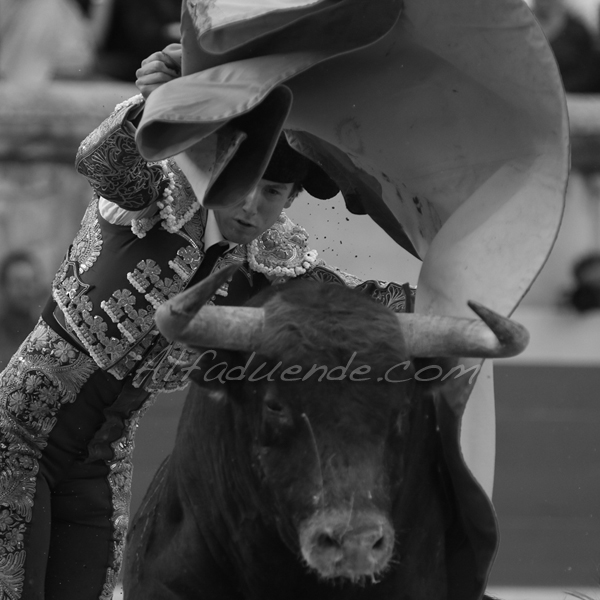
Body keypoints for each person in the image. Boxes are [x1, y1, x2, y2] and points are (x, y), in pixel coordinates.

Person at [0, 46, 412, 600]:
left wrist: (455, 280)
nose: (253, 207)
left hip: (103, 465)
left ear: (290, 200)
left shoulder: (274, 259)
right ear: (219, 165)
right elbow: (102, 161)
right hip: (17, 438)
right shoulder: (158, 195)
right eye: (246, 182)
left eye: (273, 194)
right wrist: (153, 105)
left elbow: (351, 307)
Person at [0, 250, 42, 370]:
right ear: (4, 286)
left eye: (29, 283)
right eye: (19, 283)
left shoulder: (43, 334)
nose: (26, 291)